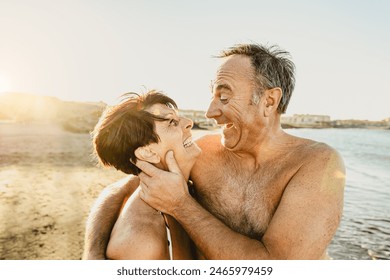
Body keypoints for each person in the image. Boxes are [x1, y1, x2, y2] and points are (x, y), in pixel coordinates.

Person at [83, 43, 345, 260]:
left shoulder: (316, 164)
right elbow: (121, 188)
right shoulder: (202, 152)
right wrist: (92, 256)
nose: (210, 112)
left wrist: (181, 205)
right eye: (212, 96)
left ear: (269, 101)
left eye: (224, 97)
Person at [85, 90, 201, 259]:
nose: (189, 122)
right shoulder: (142, 242)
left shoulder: (187, 186)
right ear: (147, 153)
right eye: (171, 122)